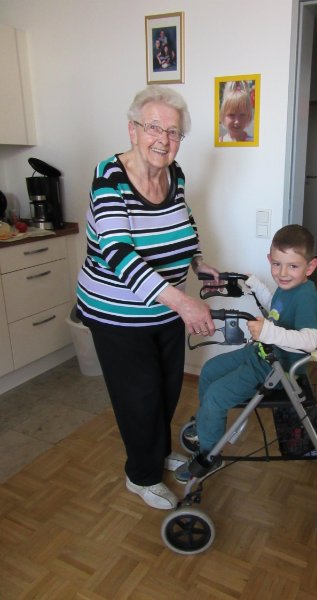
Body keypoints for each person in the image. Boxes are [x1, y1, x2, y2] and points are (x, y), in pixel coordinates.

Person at [76, 85, 221, 510]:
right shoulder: (110, 177)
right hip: (116, 313)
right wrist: (183, 302)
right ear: (133, 130)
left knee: (167, 388)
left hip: (165, 307)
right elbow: (118, 252)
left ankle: (156, 452)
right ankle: (141, 475)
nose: (163, 139)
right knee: (139, 397)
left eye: (173, 132)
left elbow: (184, 220)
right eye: (153, 127)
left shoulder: (175, 174)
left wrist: (197, 262)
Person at [175, 224, 317, 482]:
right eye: (276, 264)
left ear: (310, 267)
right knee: (209, 370)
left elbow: (311, 341)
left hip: (276, 369)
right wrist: (257, 285)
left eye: (293, 266)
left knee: (216, 396)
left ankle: (210, 456)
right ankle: (207, 425)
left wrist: (269, 333)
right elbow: (275, 310)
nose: (283, 273)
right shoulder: (288, 287)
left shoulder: (305, 298)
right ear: (270, 259)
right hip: (260, 354)